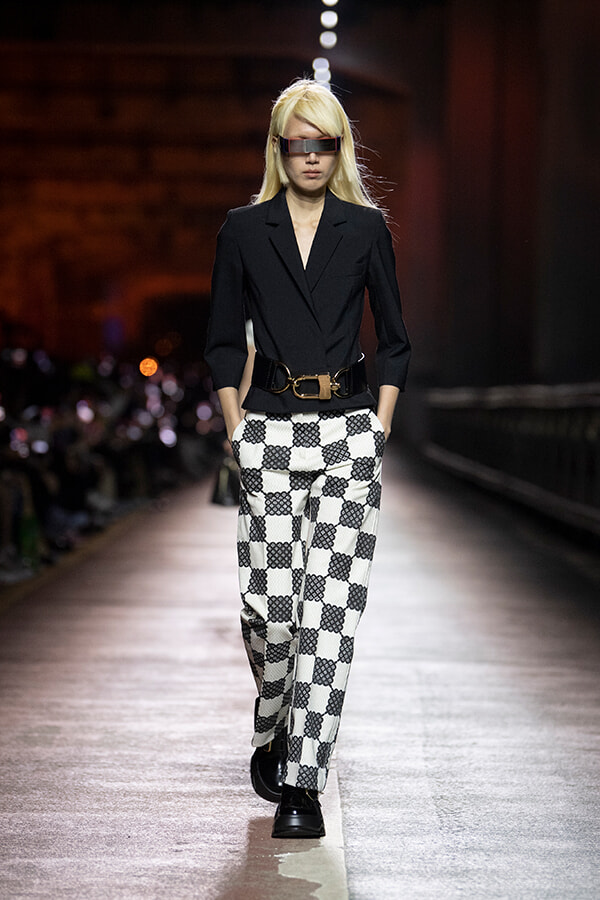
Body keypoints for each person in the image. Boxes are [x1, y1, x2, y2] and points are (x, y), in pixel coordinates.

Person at [204, 79, 410, 839]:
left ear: (339, 148)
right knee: (272, 613)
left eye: (325, 143)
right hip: (268, 428)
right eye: (299, 143)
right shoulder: (242, 230)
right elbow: (221, 341)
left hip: (348, 433)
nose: (312, 156)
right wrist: (237, 430)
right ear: (280, 148)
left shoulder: (366, 228)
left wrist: (378, 429)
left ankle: (302, 785)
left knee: (329, 617)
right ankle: (273, 725)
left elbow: (395, 340)